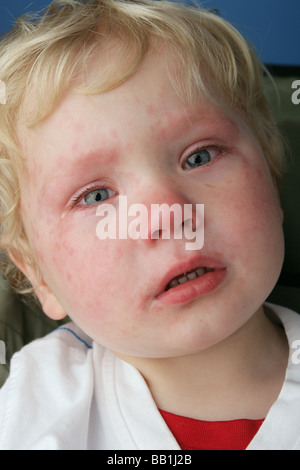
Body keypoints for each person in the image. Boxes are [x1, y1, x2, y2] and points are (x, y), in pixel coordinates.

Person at [0, 0, 298, 450]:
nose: (167, 214)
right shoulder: (34, 405)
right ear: (38, 275)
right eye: (97, 196)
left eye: (199, 156)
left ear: (271, 181)